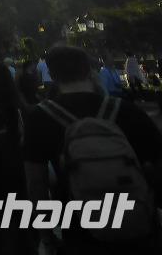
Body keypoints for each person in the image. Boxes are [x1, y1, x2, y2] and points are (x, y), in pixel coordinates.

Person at [22, 44, 160, 254]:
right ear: (89, 70)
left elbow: (36, 183)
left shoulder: (40, 118)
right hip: (138, 220)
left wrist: (46, 236)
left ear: (52, 74)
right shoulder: (125, 110)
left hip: (80, 227)